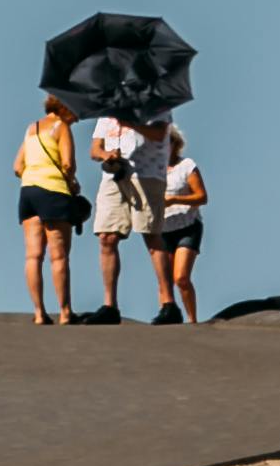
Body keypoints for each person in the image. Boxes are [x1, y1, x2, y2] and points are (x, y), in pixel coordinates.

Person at [15, 98, 81, 319]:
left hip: (28, 192)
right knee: (58, 256)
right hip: (53, 192)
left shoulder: (31, 128)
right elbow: (68, 164)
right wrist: (72, 183)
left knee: (33, 255)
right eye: (75, 112)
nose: (77, 118)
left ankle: (39, 312)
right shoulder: (60, 127)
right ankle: (64, 311)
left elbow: (17, 167)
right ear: (64, 108)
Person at [144, 120, 206, 324]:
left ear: (175, 144)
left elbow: (201, 197)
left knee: (181, 277)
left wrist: (174, 199)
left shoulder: (186, 166)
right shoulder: (151, 171)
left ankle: (192, 319)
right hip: (163, 230)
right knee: (165, 278)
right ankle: (167, 316)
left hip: (187, 227)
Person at [86, 113, 147, 321]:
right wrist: (107, 154)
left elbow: (160, 139)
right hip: (112, 177)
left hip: (143, 175)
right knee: (106, 237)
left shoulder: (146, 111)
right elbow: (94, 149)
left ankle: (167, 301)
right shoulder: (105, 117)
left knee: (154, 237)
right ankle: (110, 304)